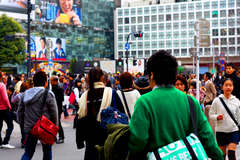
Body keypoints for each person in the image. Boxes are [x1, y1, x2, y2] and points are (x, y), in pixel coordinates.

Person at [128, 50, 223, 159]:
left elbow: (138, 141)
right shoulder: (190, 101)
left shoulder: (144, 102)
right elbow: (208, 138)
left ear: (152, 75)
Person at [76, 67, 125, 160]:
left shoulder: (84, 96)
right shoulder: (111, 93)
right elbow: (121, 113)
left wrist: (80, 141)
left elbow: (80, 119)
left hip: (90, 139)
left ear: (88, 79)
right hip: (108, 137)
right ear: (102, 78)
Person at [18, 71, 58, 160]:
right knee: (47, 151)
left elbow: (19, 112)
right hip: (45, 128)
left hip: (29, 128)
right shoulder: (48, 94)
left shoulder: (25, 94)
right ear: (45, 82)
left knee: (28, 153)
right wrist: (54, 128)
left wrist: (22, 126)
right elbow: (54, 112)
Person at [209, 78, 240, 160]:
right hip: (221, 131)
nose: (228, 87)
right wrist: (217, 117)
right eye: (226, 85)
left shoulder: (236, 101)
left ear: (233, 87)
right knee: (221, 156)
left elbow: (239, 116)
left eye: (230, 85)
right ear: (222, 87)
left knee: (231, 153)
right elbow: (211, 114)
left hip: (233, 130)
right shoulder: (216, 101)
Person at [0, 71, 15, 149]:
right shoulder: (1, 85)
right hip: (3, 108)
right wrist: (9, 107)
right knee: (10, 125)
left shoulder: (2, 85)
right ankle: (5, 141)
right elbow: (5, 98)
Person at [50, 76, 65, 144]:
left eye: (51, 81)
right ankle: (54, 136)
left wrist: (54, 101)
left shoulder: (59, 88)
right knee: (54, 122)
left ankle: (61, 137)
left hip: (58, 108)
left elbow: (62, 98)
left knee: (57, 122)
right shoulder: (53, 87)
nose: (50, 82)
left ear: (55, 81)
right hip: (55, 107)